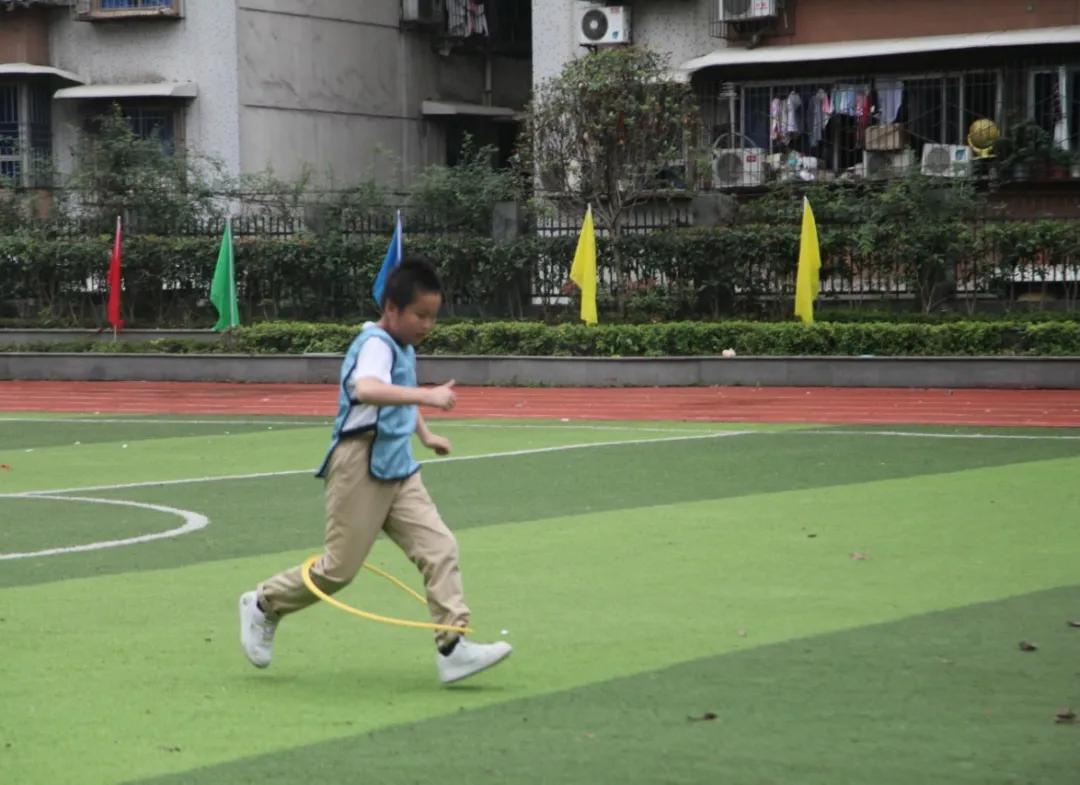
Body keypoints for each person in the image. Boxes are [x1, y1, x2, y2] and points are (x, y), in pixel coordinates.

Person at [238, 257, 511, 684]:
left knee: (440, 548)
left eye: (432, 317)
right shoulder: (375, 344)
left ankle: (453, 647)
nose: (427, 325)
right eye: (420, 315)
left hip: (398, 465)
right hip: (359, 464)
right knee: (338, 571)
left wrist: (425, 434)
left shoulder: (401, 348)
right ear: (391, 309)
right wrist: (427, 397)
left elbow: (393, 394)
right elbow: (367, 389)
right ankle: (263, 603)